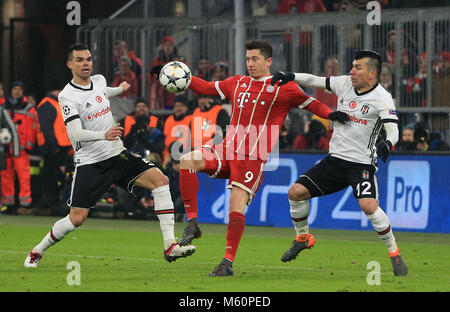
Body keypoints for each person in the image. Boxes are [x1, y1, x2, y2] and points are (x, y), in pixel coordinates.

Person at [177, 40, 349, 276]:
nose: (250, 64)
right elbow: (206, 87)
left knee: (235, 207)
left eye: (255, 59)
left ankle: (227, 263)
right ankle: (192, 223)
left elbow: (312, 104)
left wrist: (332, 114)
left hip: (251, 158)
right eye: (247, 59)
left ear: (268, 61)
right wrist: (183, 77)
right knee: (187, 161)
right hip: (226, 150)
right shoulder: (237, 83)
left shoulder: (283, 87)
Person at [24, 43, 195, 268]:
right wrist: (103, 134)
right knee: (76, 218)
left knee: (160, 181)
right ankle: (37, 250)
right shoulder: (67, 96)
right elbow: (75, 133)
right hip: (90, 163)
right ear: (70, 64)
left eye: (88, 59)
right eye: (79, 60)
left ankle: (170, 246)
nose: (85, 63)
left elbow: (103, 92)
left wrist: (120, 89)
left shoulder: (99, 80)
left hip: (117, 155)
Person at [270, 50, 408, 276]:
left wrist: (388, 144)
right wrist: (291, 76)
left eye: (358, 67)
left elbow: (393, 130)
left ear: (372, 73)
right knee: (295, 192)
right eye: (352, 66)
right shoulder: (344, 83)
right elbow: (316, 80)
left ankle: (394, 254)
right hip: (334, 161)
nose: (352, 71)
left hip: (361, 165)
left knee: (369, 207)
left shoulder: (382, 97)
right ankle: (303, 237)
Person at [35, 84, 74, 213]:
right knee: (52, 177)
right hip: (53, 149)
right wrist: (54, 147)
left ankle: (52, 204)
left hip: (60, 148)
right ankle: (49, 205)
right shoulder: (48, 104)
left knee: (57, 177)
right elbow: (47, 129)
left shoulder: (55, 104)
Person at [1, 81, 37, 212]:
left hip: (21, 148)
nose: (17, 91)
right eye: (15, 89)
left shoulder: (28, 108)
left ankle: (24, 204)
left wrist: (28, 145)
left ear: (23, 92)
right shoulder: (3, 106)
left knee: (24, 176)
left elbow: (33, 128)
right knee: (6, 176)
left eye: (19, 89)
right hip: (5, 148)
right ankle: (8, 203)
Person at [162, 95, 192, 166]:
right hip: (167, 156)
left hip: (183, 156)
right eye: (176, 106)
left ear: (186, 107)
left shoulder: (192, 119)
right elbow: (165, 140)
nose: (178, 108)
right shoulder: (169, 120)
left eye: (181, 106)